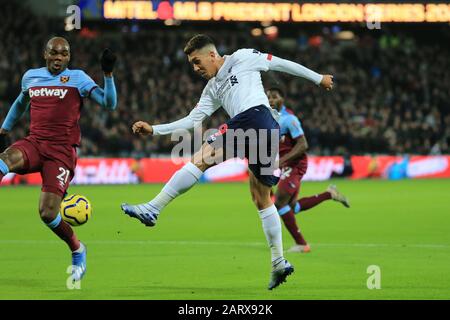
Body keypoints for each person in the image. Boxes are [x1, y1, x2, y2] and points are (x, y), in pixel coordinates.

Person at [121, 34, 333, 290]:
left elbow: (280, 63)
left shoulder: (243, 57)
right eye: (192, 64)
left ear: (212, 54)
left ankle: (154, 208)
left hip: (255, 117)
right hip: (268, 131)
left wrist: (317, 78)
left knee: (200, 157)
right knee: (261, 197)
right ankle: (278, 261)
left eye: (197, 62)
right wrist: (154, 130)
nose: (196, 68)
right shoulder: (211, 89)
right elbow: (191, 120)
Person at [0, 37, 117, 281]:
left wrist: (108, 74)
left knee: (47, 213)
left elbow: (109, 104)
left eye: (63, 54)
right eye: (54, 53)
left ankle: (77, 248)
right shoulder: (30, 76)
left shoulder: (79, 78)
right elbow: (21, 103)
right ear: (45, 54)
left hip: (61, 152)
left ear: (69, 57)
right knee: (4, 160)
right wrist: (4, 128)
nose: (58, 58)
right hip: (34, 142)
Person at [266, 86, 350, 254]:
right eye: (268, 97)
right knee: (291, 206)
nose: (271, 100)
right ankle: (329, 194)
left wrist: (281, 161)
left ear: (283, 98)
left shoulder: (289, 119)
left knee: (279, 203)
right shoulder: (270, 118)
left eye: (274, 96)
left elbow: (303, 144)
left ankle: (302, 244)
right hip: (286, 164)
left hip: (295, 164)